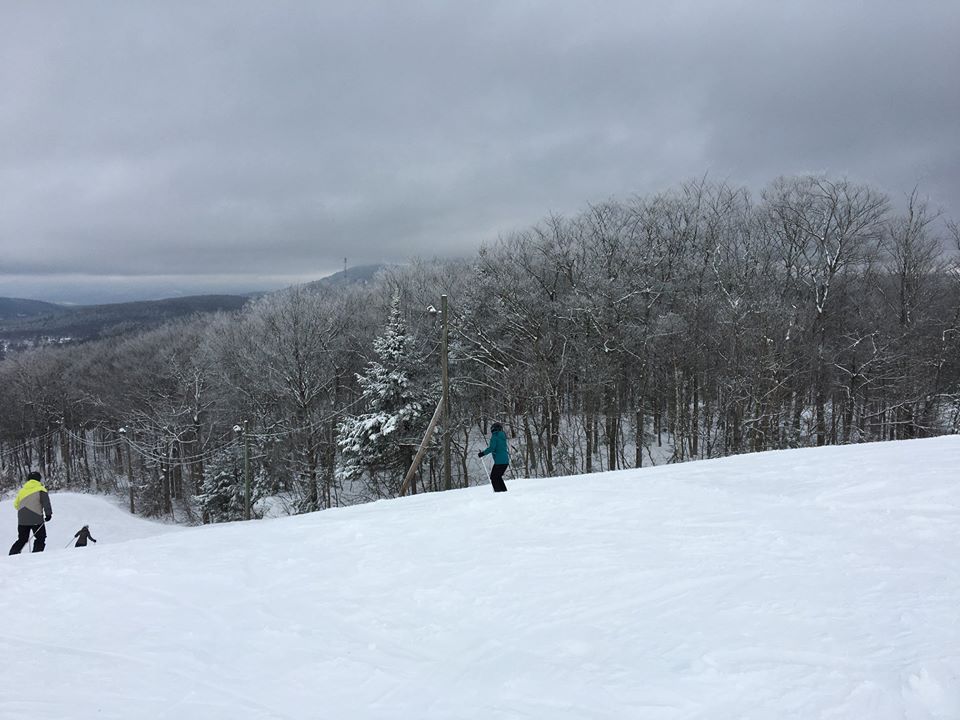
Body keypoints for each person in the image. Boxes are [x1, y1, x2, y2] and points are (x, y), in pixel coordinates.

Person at [9, 471, 52, 555]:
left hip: (22, 519)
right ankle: (36, 555)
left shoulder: (22, 491)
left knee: (22, 539)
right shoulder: (41, 489)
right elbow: (46, 502)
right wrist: (48, 514)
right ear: (39, 479)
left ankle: (12, 555)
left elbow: (16, 505)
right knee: (40, 537)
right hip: (36, 517)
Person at [478, 421, 510, 492]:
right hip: (505, 461)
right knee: (498, 477)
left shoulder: (495, 436)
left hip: (499, 462)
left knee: (493, 477)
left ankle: (498, 493)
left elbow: (492, 448)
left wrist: (482, 453)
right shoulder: (502, 437)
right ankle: (504, 492)